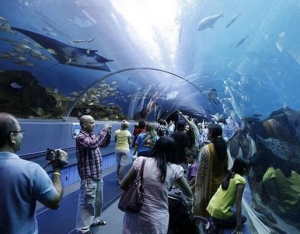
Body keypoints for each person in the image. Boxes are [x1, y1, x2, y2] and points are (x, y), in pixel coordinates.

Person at [0, 112, 67, 234]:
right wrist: (56, 169)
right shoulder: (31, 170)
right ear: (12, 137)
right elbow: (54, 202)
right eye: (20, 132)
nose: (22, 136)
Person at [120, 137, 193, 234]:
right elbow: (188, 192)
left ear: (155, 148)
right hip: (157, 219)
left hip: (135, 214)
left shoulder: (141, 161)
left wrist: (138, 191)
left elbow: (123, 185)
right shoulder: (175, 169)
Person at [75, 115, 112, 234]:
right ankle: (83, 229)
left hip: (97, 174)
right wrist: (104, 130)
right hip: (89, 176)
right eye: (91, 122)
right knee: (87, 203)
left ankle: (95, 220)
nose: (94, 124)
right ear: (84, 125)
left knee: (98, 201)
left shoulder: (92, 136)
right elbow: (92, 145)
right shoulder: (80, 137)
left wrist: (108, 133)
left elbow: (103, 144)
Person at [194, 123, 229, 218]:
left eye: (208, 132)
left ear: (211, 134)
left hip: (209, 185)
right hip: (220, 182)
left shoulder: (207, 149)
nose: (207, 134)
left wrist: (197, 186)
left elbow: (201, 172)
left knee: (207, 209)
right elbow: (226, 166)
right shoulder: (224, 147)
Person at [207, 157, 249, 233]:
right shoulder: (241, 180)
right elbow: (238, 202)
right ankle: (218, 224)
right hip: (220, 211)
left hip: (211, 207)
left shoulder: (230, 173)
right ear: (244, 170)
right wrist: (238, 225)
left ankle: (215, 221)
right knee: (243, 219)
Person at [114, 120, 131, 184]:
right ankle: (121, 180)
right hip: (125, 149)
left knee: (118, 164)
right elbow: (129, 142)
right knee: (122, 165)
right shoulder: (128, 133)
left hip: (118, 149)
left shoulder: (116, 132)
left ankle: (118, 178)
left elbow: (116, 140)